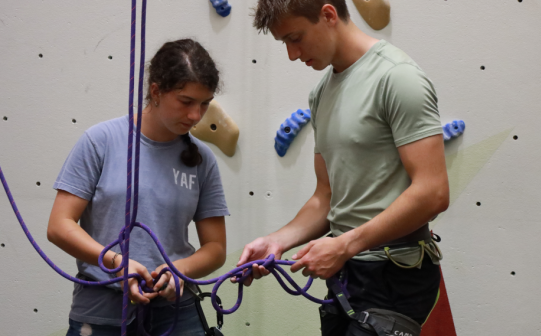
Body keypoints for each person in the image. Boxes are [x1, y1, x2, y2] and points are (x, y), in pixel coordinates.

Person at [236, 1, 450, 335]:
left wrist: (345, 244)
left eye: (296, 38)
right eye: (285, 44)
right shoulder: (321, 93)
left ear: (328, 15)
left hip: (395, 275)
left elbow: (433, 193)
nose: (293, 54)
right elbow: (326, 196)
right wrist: (277, 241)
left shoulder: (397, 78)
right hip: (347, 273)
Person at [47, 39, 229, 336]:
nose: (196, 116)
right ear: (155, 91)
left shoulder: (202, 160)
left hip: (176, 312)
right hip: (103, 312)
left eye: (204, 104)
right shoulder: (101, 141)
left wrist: (179, 270)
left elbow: (216, 249)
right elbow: (59, 225)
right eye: (186, 102)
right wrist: (117, 263)